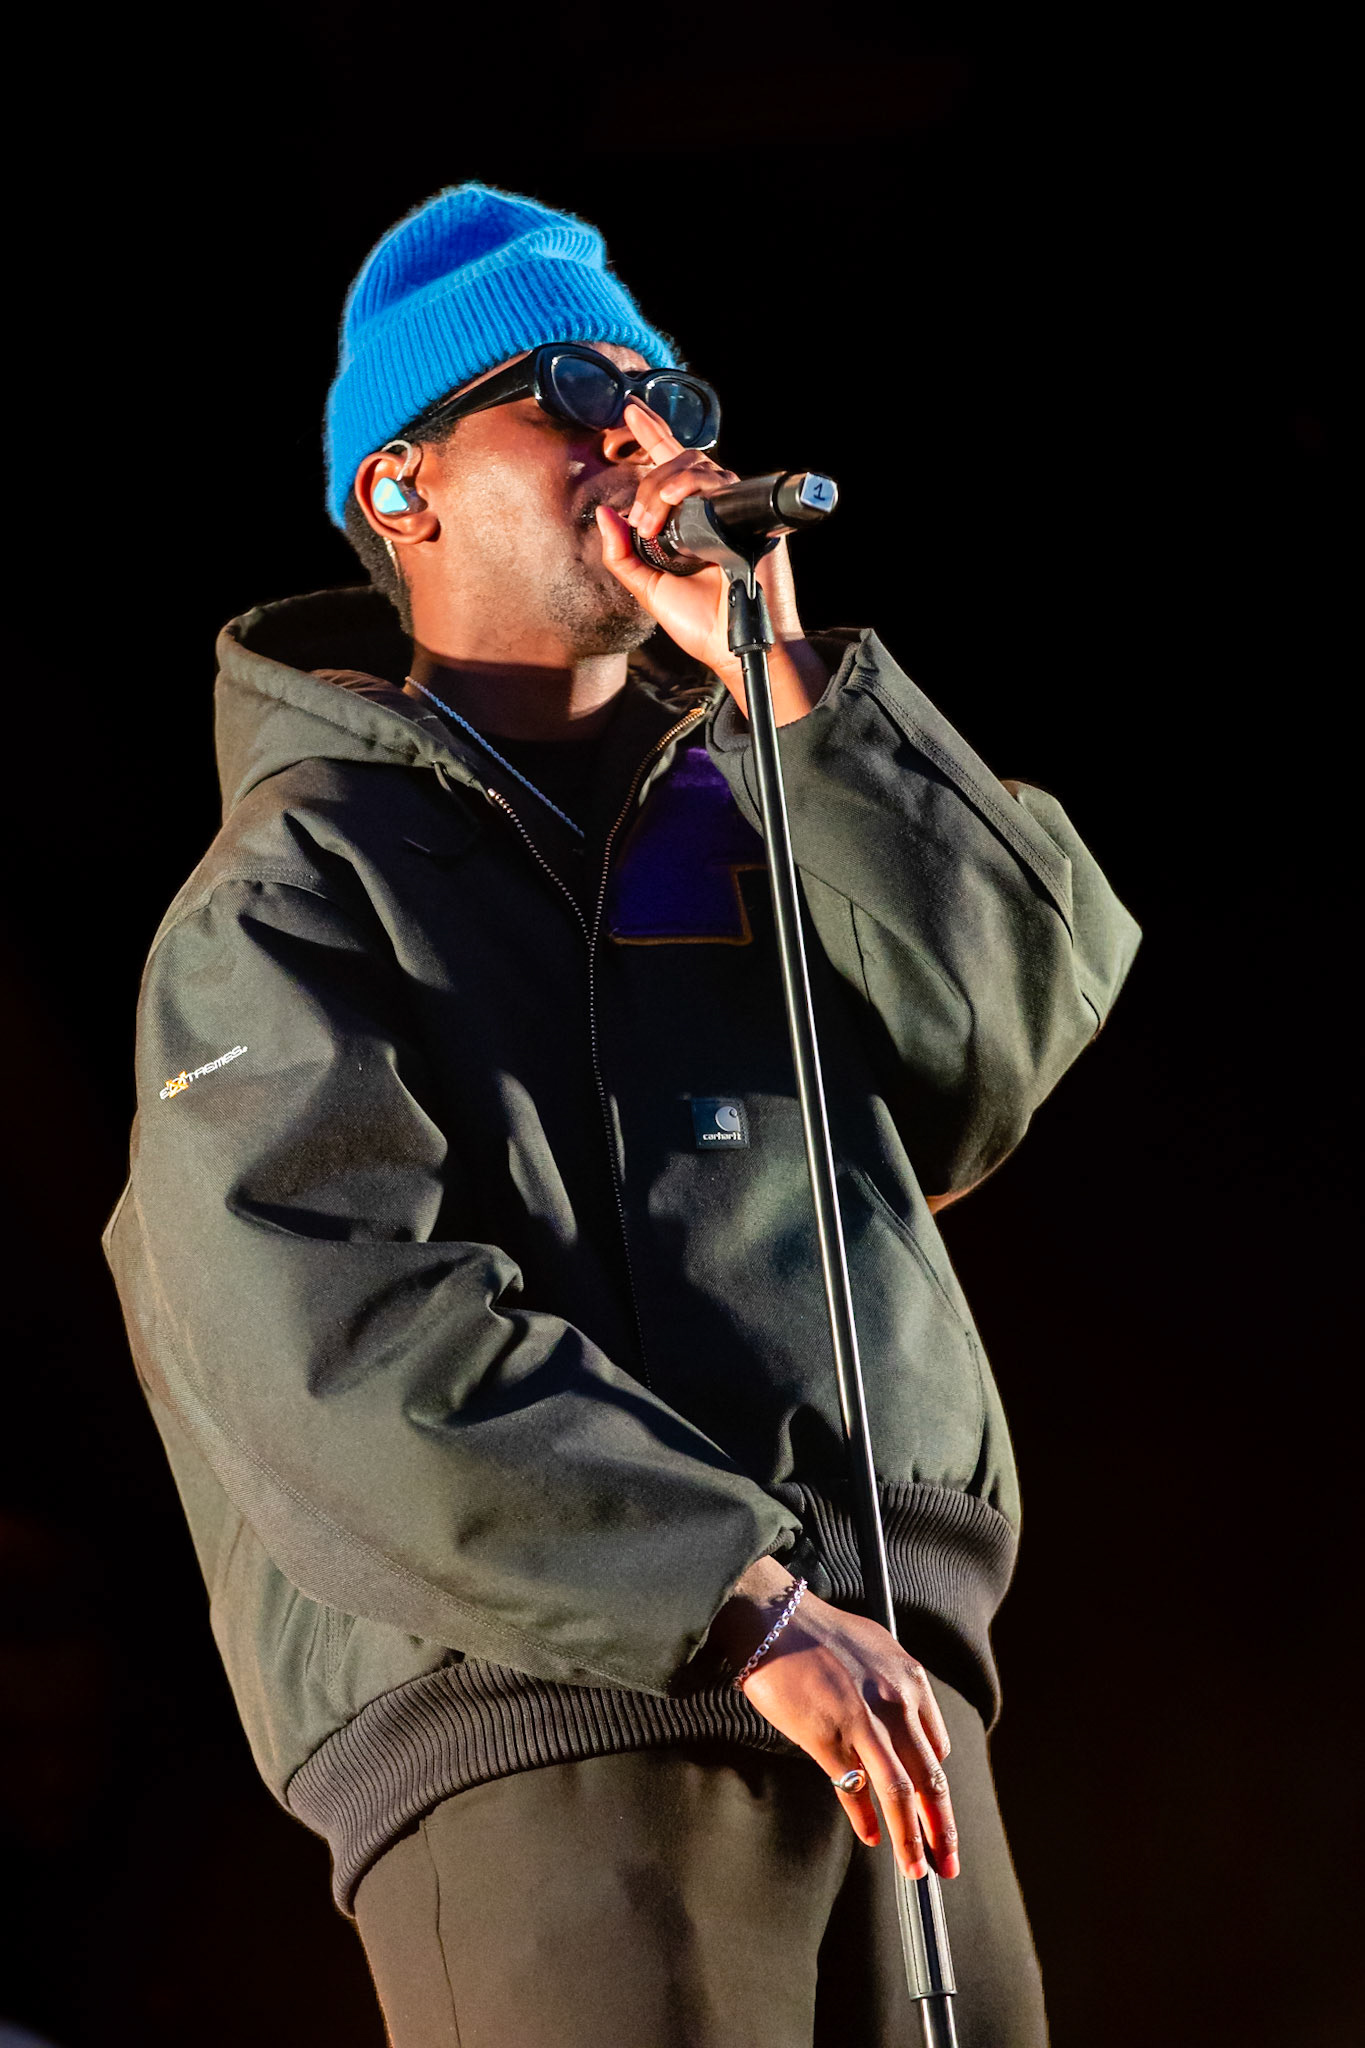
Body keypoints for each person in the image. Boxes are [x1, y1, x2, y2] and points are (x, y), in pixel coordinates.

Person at [104, 183, 1140, 2047]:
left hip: (888, 1671)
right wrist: (726, 1601)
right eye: (573, 386)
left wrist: (793, 689)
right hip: (542, 1723)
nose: (647, 434)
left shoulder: (753, 789)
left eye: (672, 392)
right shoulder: (291, 889)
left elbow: (996, 1045)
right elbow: (328, 1329)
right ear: (400, 487)